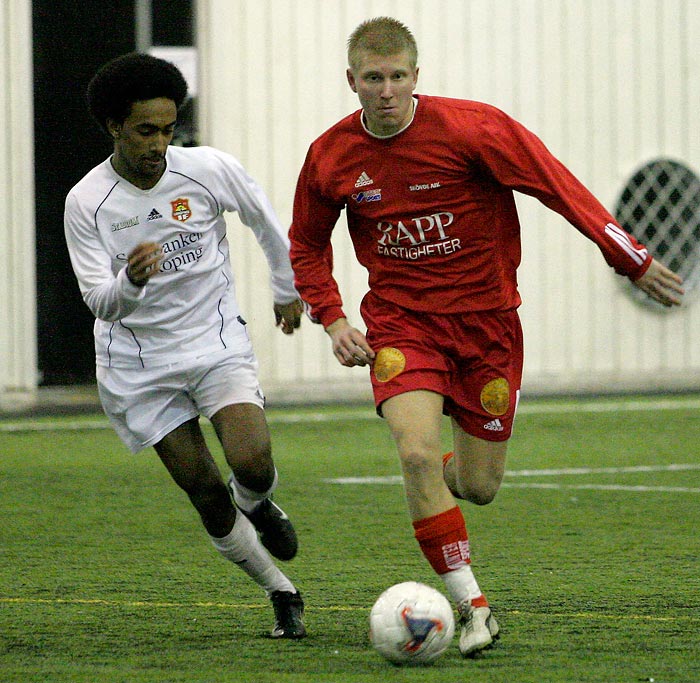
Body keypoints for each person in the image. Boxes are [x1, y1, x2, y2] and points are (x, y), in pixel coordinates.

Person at [288, 17, 684, 657]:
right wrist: (332, 317)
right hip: (401, 325)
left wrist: (628, 256)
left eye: (396, 77)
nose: (385, 91)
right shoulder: (332, 155)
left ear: (416, 77)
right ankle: (474, 607)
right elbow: (306, 243)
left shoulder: (474, 129)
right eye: (372, 79)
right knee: (416, 454)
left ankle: (437, 491)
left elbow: (558, 185)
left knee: (479, 485)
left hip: (486, 327)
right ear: (351, 81)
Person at [64, 53, 307, 639]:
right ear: (114, 127)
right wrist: (132, 282)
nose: (160, 143)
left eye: (170, 129)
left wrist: (285, 288)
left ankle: (259, 502)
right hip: (138, 367)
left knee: (251, 461)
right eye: (146, 130)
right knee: (204, 490)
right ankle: (281, 591)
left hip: (215, 342)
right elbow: (98, 299)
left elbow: (263, 218)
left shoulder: (206, 169)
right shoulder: (86, 202)